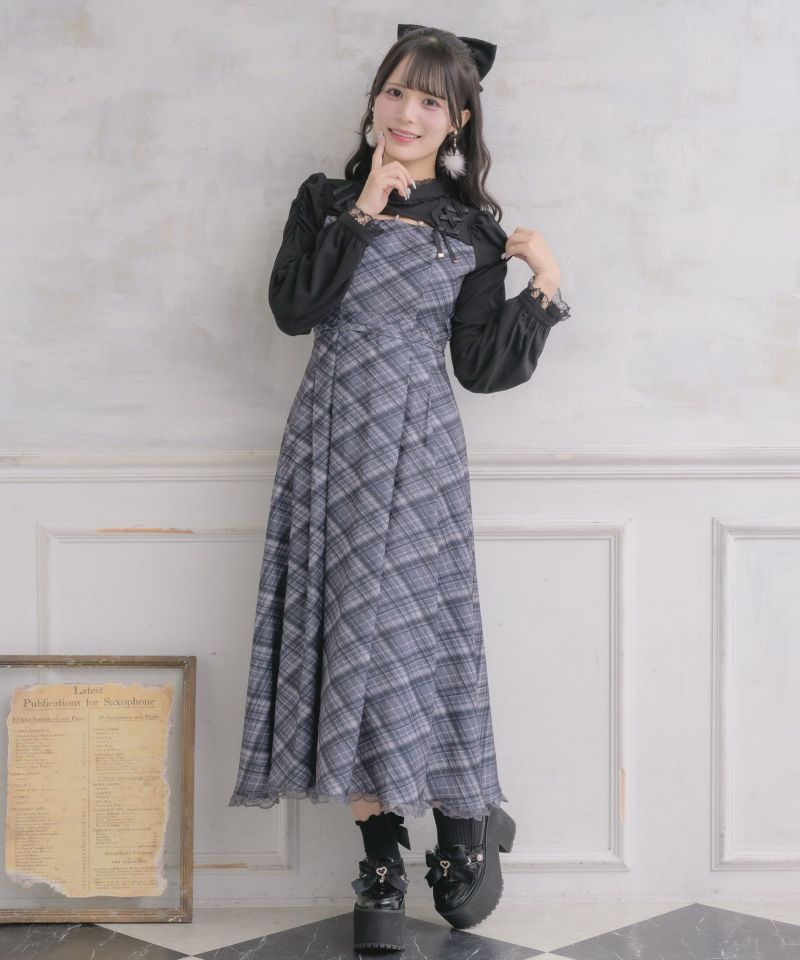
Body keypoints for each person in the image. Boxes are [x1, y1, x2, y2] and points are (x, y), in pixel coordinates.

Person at [228, 23, 571, 949]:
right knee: (347, 635)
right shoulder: (325, 199)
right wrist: (361, 212)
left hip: (420, 454)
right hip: (330, 443)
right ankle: (381, 860)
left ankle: (462, 820)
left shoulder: (472, 227)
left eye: (429, 101)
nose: (406, 113)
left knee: (412, 637)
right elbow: (293, 310)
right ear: (374, 99)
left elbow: (480, 368)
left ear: (457, 121)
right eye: (395, 92)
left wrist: (542, 285)